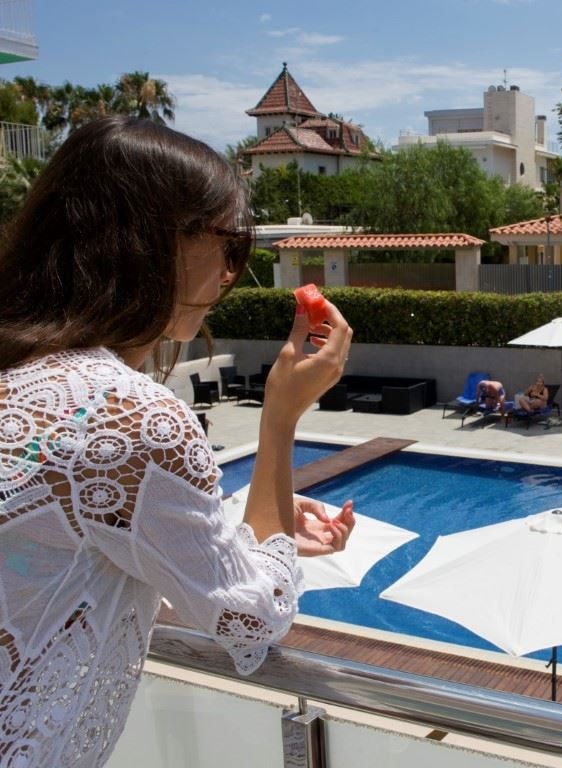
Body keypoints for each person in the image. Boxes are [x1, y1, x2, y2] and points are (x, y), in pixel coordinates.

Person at [0, 116, 356, 767]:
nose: (228, 276)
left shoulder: (23, 378)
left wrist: (236, 522)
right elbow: (251, 616)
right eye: (230, 245)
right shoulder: (127, 413)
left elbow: (88, 543)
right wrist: (279, 419)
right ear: (150, 240)